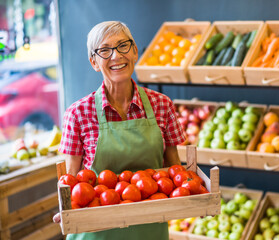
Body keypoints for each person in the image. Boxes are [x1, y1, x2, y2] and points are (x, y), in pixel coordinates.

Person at [53, 21, 186, 240]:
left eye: (123, 45)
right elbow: (71, 181)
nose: (116, 56)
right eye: (105, 50)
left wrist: (192, 201)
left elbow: (175, 172)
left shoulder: (162, 105)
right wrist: (66, 210)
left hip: (149, 227)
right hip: (95, 230)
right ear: (94, 62)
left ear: (134, 52)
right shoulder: (77, 113)